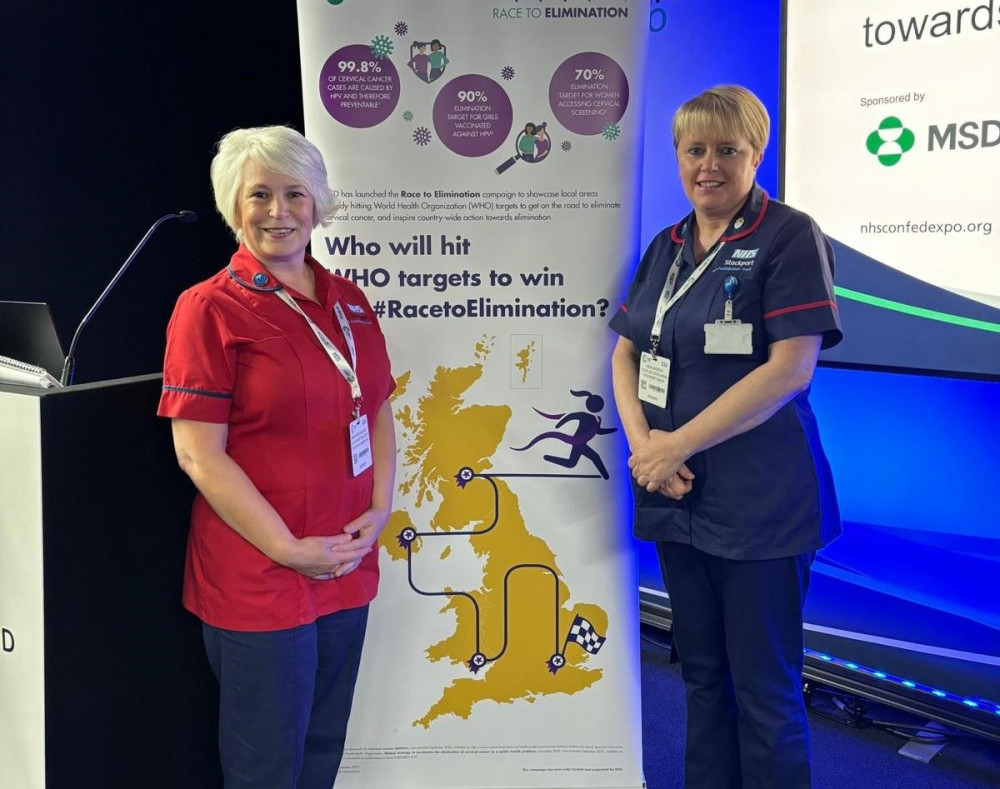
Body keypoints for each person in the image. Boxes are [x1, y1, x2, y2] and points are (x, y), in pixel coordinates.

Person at [609, 85, 842, 789]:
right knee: (704, 677)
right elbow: (625, 351)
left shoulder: (790, 236)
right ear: (678, 156)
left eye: (727, 150)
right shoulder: (668, 244)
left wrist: (673, 446)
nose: (708, 165)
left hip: (760, 502)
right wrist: (645, 445)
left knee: (766, 689)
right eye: (695, 150)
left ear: (755, 152)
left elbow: (789, 370)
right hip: (676, 494)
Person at [157, 125, 396, 789]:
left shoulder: (349, 299)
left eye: (295, 192)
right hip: (261, 574)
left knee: (323, 746)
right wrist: (289, 548)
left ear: (318, 202)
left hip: (346, 558)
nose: (278, 210)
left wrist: (379, 508)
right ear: (235, 207)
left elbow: (375, 406)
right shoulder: (207, 309)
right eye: (258, 193)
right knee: (265, 766)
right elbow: (198, 456)